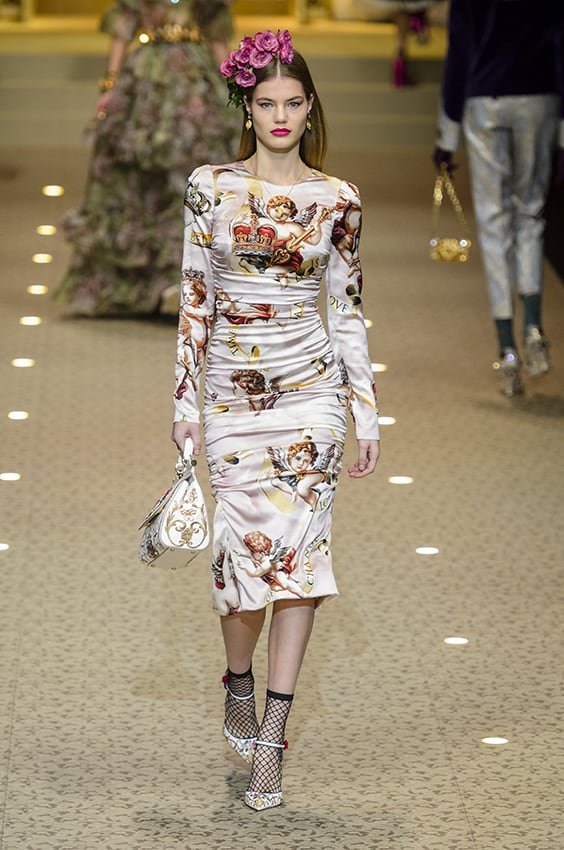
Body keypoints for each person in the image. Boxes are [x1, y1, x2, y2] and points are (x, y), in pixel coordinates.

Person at [171, 29, 380, 810]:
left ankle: (272, 737)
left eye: (294, 102)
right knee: (240, 562)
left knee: (300, 559)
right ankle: (238, 679)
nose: (281, 116)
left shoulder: (339, 198)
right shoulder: (210, 187)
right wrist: (185, 407)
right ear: (248, 108)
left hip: (313, 397)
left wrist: (365, 412)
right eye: (267, 103)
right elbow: (194, 300)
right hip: (231, 398)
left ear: (311, 107)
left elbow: (348, 310)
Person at [55, 0, 238, 318]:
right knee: (139, 173)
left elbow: (216, 32)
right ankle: (140, 285)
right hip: (147, 78)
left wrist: (233, 86)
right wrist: (109, 84)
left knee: (191, 176)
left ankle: (186, 282)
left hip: (195, 81)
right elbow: (123, 29)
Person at [433, 1, 564, 397]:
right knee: (531, 214)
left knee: (493, 223)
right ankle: (534, 328)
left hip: (484, 97)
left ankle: (507, 349)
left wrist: (446, 135)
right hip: (539, 96)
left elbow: (460, 50)